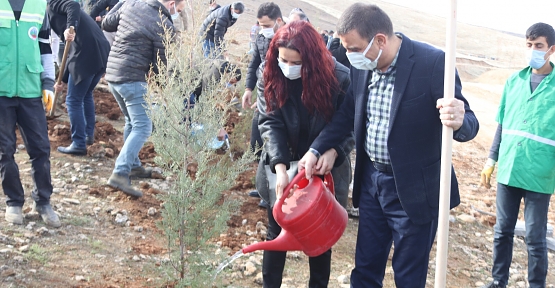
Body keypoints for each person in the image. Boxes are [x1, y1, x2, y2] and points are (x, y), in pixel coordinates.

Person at [298, 3, 479, 287]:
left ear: (380, 40)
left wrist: (458, 120)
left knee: (407, 274)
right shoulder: (362, 67)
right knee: (365, 268)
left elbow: (469, 123)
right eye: (346, 48)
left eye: (354, 49)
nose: (349, 56)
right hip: (372, 183)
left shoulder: (433, 64)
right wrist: (316, 149)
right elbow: (347, 115)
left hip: (414, 190)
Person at [255, 20, 354, 287]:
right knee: (276, 231)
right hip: (283, 164)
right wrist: (279, 167)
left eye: (295, 62)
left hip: (324, 170)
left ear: (311, 59)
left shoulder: (339, 77)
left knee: (319, 240)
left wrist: (334, 152)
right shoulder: (269, 71)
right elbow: (269, 121)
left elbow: (349, 126)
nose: (288, 67)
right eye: (283, 59)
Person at [479, 23, 555, 288]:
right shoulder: (514, 82)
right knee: (502, 232)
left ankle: (537, 285)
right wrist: (491, 161)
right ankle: (498, 281)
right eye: (529, 45)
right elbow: (502, 124)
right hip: (509, 169)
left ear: (551, 50)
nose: (533, 50)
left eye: (539, 46)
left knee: (535, 238)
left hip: (540, 174)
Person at [102, 0, 186, 197]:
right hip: (132, 78)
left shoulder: (131, 4)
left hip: (113, 75)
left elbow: (106, 23)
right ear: (172, 3)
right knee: (143, 126)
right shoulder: (163, 22)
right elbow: (161, 63)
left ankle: (133, 165)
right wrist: (166, 89)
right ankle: (120, 173)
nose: (177, 13)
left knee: (132, 121)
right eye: (179, 10)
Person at [1, 0, 61, 228]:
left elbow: (45, 47)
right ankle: (14, 202)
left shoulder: (38, 5)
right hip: (1, 91)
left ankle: (43, 201)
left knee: (41, 149)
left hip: (30, 90)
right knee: (4, 151)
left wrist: (47, 82)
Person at [48, 0, 111, 155]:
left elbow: (73, 5)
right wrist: (62, 79)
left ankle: (78, 143)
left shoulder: (52, 3)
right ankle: (88, 135)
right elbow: (70, 53)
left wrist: (72, 27)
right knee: (85, 95)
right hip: (100, 50)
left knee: (73, 100)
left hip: (87, 52)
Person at [241, 2, 285, 208]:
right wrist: (249, 88)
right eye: (260, 24)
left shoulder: (289, 40)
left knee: (274, 145)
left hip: (280, 100)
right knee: (258, 143)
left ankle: (274, 194)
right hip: (262, 94)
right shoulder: (261, 37)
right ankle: (263, 188)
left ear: (278, 21)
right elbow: (254, 63)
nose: (263, 29)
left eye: (266, 25)